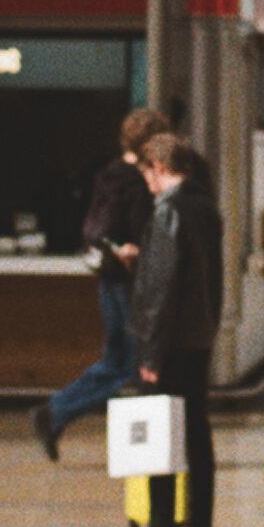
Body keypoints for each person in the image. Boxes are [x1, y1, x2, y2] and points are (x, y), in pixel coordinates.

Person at [33, 107, 167, 458]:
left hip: (110, 280)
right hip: (129, 283)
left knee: (118, 359)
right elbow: (137, 231)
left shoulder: (108, 174)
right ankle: (59, 412)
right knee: (131, 364)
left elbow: (95, 228)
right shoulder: (135, 181)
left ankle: (56, 413)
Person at [118, 134, 223, 527]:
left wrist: (151, 353)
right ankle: (197, 525)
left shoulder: (169, 211)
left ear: (159, 168)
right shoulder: (206, 207)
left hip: (170, 340)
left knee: (158, 426)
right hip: (198, 336)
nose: (147, 184)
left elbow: (162, 289)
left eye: (147, 174)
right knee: (195, 429)